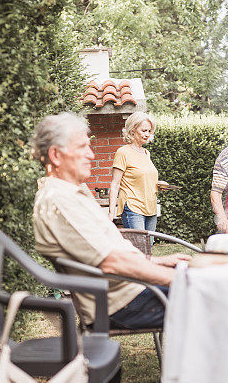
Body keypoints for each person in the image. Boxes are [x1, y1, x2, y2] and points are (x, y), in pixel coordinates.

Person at [31, 112, 190, 330]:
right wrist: (178, 279)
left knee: (211, 286)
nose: (92, 155)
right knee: (213, 299)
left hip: (133, 291)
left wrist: (160, 261)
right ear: (56, 155)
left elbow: (111, 252)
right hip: (121, 304)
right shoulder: (59, 200)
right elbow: (112, 262)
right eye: (82, 147)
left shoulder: (72, 192)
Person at [107, 111, 166, 229]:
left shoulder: (146, 153)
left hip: (150, 207)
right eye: (144, 130)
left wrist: (159, 185)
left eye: (149, 131)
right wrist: (111, 213)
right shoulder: (123, 152)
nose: (147, 134)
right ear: (132, 130)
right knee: (138, 246)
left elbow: (143, 179)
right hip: (133, 208)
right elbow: (115, 184)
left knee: (148, 246)